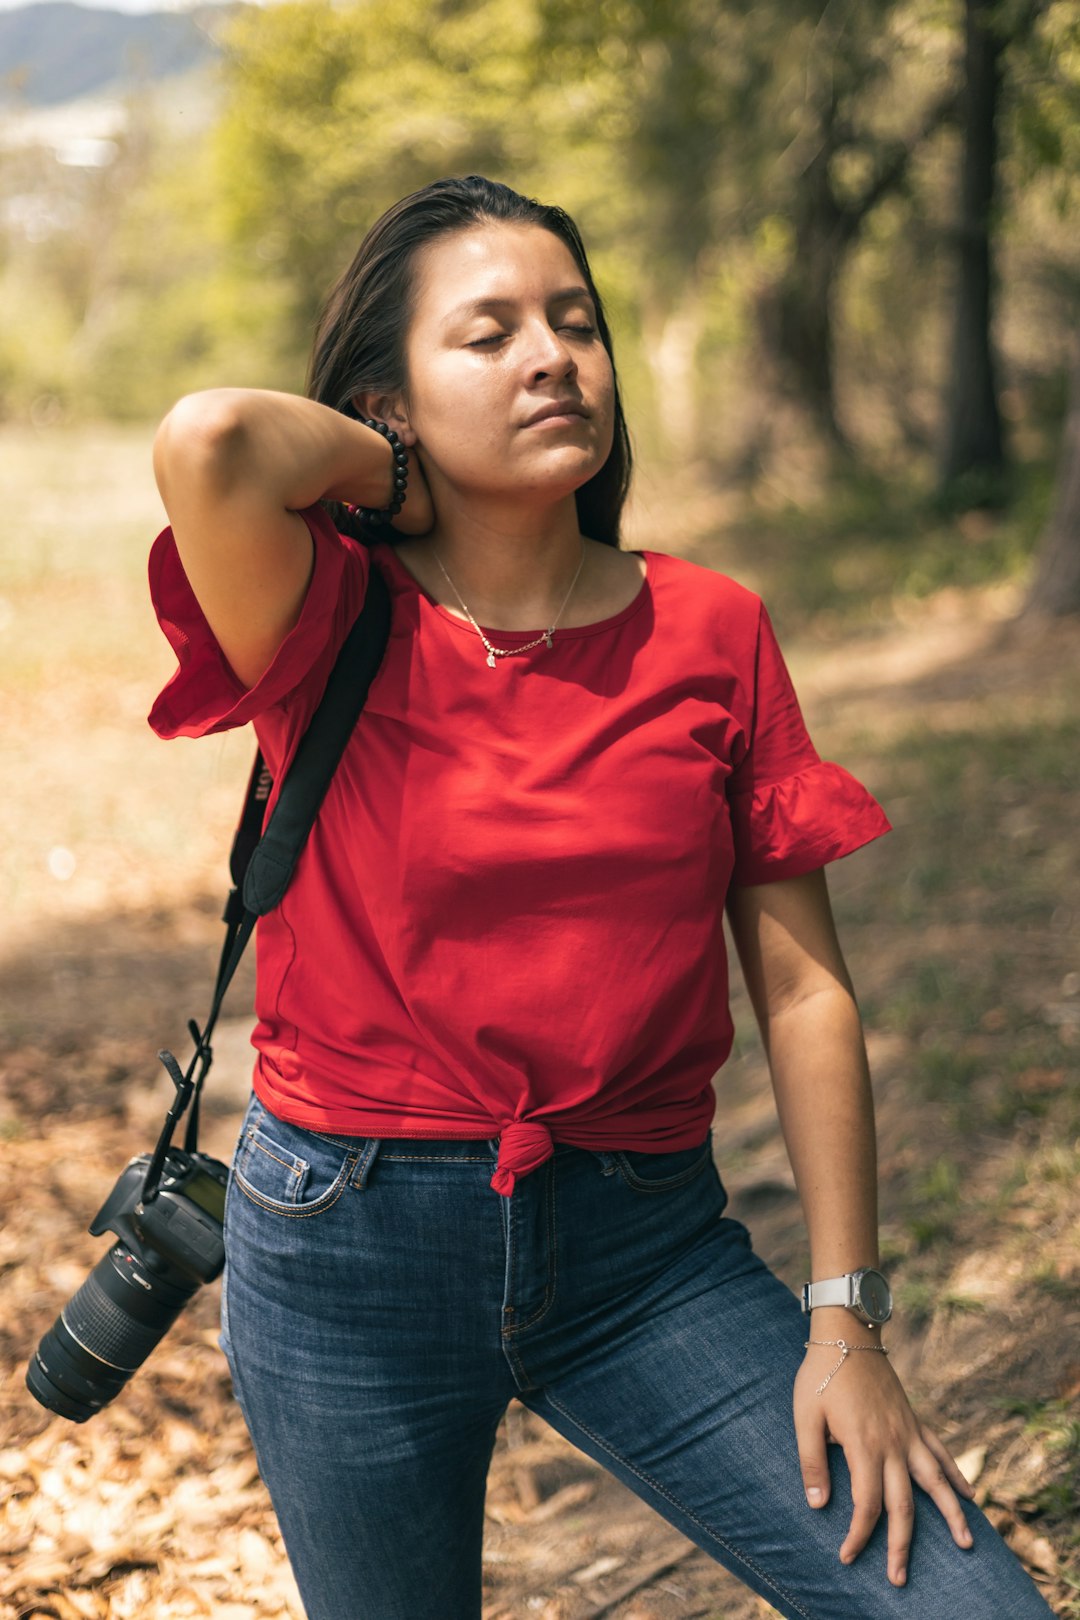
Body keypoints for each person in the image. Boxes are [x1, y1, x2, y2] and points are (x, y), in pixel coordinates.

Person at [147, 176, 1055, 1620]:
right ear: (391, 402)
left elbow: (808, 989)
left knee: (959, 1607)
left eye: (575, 322)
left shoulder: (713, 628)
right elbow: (213, 439)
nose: (551, 357)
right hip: (345, 1253)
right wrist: (395, 478)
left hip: (645, 1255)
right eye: (489, 332)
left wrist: (847, 1325)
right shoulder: (326, 615)